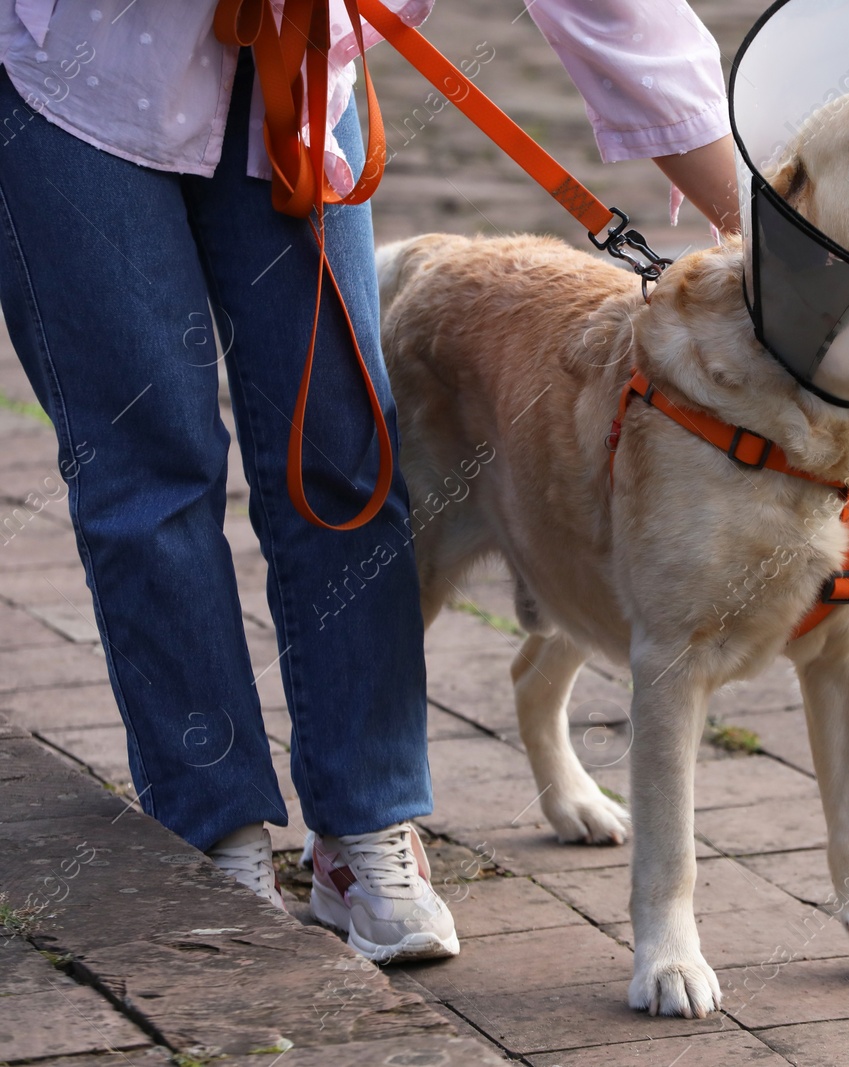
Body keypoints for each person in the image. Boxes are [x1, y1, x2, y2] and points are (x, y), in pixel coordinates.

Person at [0, 0, 736, 962]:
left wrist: (749, 215)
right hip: (72, 78)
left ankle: (366, 826)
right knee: (148, 463)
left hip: (295, 72)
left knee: (345, 450)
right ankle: (211, 826)